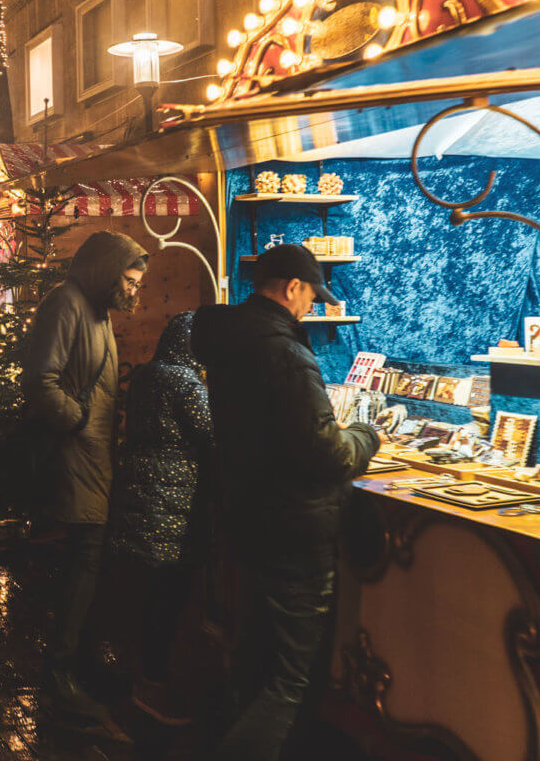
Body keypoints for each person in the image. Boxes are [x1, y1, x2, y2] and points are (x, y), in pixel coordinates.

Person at [191, 244, 379, 759]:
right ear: (292, 286)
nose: (310, 308)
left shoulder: (231, 341)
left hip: (251, 519)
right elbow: (328, 455)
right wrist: (366, 436)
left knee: (256, 660)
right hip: (296, 527)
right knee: (292, 680)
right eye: (311, 297)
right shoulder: (286, 354)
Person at [22, 230, 149, 722]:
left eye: (139, 284)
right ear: (105, 269)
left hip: (94, 454)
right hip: (75, 452)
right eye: (130, 279)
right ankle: (60, 670)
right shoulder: (68, 304)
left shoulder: (96, 308)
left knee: (89, 559)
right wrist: (74, 419)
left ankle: (81, 660)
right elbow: (39, 378)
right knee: (84, 557)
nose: (135, 290)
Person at [107, 310, 211, 727]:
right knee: (168, 596)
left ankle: (136, 679)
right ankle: (152, 686)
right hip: (172, 503)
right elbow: (212, 434)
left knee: (145, 594)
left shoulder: (150, 374)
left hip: (140, 492)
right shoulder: (185, 382)